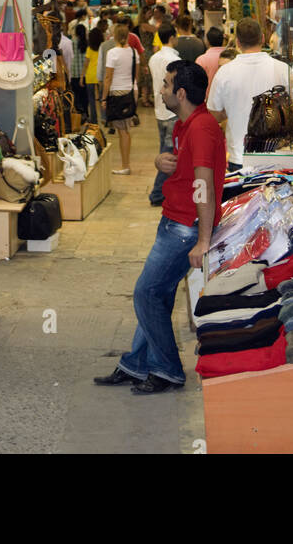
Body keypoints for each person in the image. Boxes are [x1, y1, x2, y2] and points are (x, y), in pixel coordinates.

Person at [94, 61, 226, 393]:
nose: (161, 90)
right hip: (174, 221)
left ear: (181, 93)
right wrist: (161, 163)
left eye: (166, 85)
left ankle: (166, 369)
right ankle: (137, 364)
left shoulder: (200, 128)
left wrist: (203, 239)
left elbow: (204, 185)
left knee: (147, 293)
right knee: (158, 295)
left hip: (184, 228)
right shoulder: (187, 125)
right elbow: (187, 171)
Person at [207, 16, 291, 170]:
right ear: (263, 38)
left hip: (240, 155)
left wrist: (231, 111)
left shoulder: (225, 72)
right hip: (276, 155)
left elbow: (213, 114)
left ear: (237, 42)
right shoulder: (283, 69)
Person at [147, 21, 180, 207]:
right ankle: (157, 193)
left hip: (159, 110)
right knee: (168, 153)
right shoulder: (173, 60)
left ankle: (165, 191)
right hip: (171, 111)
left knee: (165, 150)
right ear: (172, 37)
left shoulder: (154, 58)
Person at [100, 23, 139, 175]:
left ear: (114, 35)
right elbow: (136, 75)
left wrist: (103, 98)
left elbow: (108, 77)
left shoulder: (112, 53)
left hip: (117, 94)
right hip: (130, 92)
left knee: (122, 131)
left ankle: (125, 165)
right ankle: (125, 164)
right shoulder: (133, 52)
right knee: (125, 130)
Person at [83, 25, 104, 122]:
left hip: (90, 76)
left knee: (91, 100)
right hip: (100, 76)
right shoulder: (103, 47)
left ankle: (94, 119)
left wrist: (81, 77)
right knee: (102, 99)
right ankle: (105, 118)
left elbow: (86, 64)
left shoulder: (89, 49)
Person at [70, 21, 88, 115]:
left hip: (74, 72)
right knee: (85, 95)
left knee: (76, 96)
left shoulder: (72, 42)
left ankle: (79, 115)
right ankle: (86, 112)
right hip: (85, 73)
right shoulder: (87, 42)